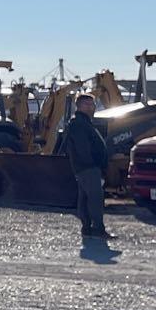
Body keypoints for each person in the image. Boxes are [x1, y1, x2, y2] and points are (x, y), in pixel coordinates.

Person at [63, 92, 112, 242]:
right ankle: (97, 229)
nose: (93, 107)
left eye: (93, 104)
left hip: (87, 167)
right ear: (81, 106)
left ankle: (87, 229)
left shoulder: (84, 123)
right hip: (88, 168)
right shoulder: (79, 124)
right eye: (89, 105)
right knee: (95, 199)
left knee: (85, 198)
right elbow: (83, 148)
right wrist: (93, 164)